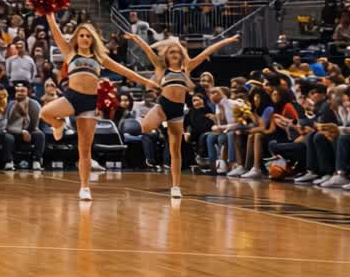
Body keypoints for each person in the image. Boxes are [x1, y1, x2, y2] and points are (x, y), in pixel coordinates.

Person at [38, 13, 147, 201]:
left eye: (88, 36)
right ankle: (58, 125)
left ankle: (85, 187)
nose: (85, 38)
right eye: (81, 35)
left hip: (89, 102)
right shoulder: (70, 53)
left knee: (84, 149)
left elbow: (125, 71)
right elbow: (56, 33)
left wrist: (147, 82)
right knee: (45, 112)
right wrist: (50, 17)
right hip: (72, 97)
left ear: (93, 39)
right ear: (76, 38)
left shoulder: (100, 58)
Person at [124, 33, 239, 198]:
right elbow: (148, 51)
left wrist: (226, 41)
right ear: (167, 55)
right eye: (171, 52)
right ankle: (137, 136)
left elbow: (206, 52)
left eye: (177, 52)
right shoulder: (161, 68)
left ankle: (175, 187)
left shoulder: (187, 67)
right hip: (163, 105)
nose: (175, 54)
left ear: (181, 54)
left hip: (178, 111)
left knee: (175, 151)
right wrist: (136, 39)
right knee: (144, 127)